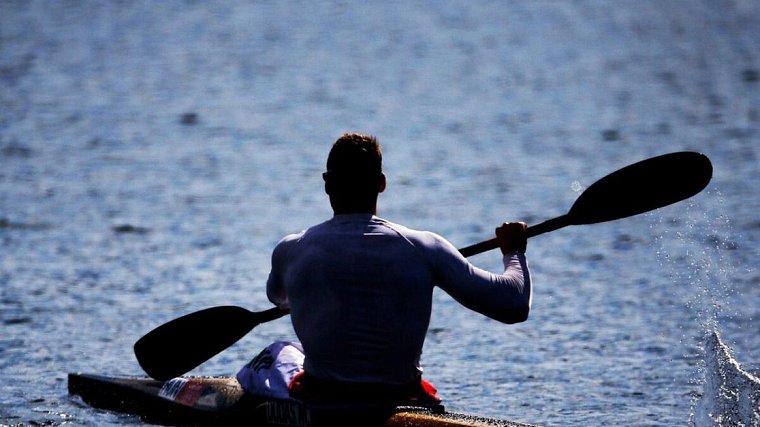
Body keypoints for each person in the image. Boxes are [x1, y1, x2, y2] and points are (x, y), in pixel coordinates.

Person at [237, 132, 531, 405]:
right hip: (400, 395)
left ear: (327, 183)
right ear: (381, 183)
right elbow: (513, 304)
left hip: (323, 398)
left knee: (276, 353)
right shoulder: (426, 247)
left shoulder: (291, 250)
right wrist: (513, 251)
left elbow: (278, 298)